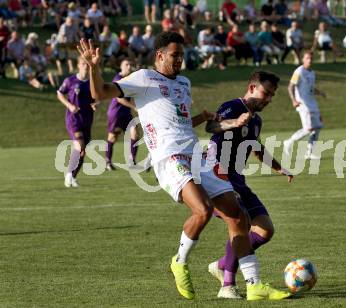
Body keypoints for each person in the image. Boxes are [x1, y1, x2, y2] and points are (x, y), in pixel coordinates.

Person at [77, 32, 291, 301]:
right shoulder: (144, 78)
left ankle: (254, 285)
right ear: (160, 55)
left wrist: (203, 117)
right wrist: (94, 67)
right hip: (169, 158)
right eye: (175, 55)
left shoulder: (183, 84)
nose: (180, 60)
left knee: (237, 216)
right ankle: (179, 261)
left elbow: (180, 124)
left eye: (182, 55)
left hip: (196, 155)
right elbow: (101, 92)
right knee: (202, 210)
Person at [206, 71, 294, 299]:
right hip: (218, 173)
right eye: (266, 93)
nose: (268, 99)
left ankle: (223, 264)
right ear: (252, 87)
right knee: (240, 222)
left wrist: (278, 167)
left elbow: (256, 148)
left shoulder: (256, 120)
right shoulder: (233, 106)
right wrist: (233, 123)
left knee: (265, 229)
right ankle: (228, 286)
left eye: (272, 95)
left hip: (237, 178)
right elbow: (211, 127)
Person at [57, 57, 99, 187]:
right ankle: (69, 175)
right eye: (83, 64)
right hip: (73, 120)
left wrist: (96, 104)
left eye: (87, 64)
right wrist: (69, 106)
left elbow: (98, 97)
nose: (86, 66)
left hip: (87, 120)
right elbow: (59, 93)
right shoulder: (70, 81)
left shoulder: (93, 82)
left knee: (82, 152)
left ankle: (72, 177)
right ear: (78, 65)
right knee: (79, 146)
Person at [283, 51, 326, 160]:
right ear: (303, 59)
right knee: (308, 129)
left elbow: (310, 88)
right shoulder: (299, 71)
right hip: (303, 104)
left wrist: (320, 92)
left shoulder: (312, 73)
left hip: (313, 104)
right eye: (307, 58)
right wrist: (293, 100)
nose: (309, 60)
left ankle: (309, 153)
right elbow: (290, 87)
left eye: (311, 58)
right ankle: (289, 142)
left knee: (317, 128)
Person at [105, 59, 138, 170]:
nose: (129, 66)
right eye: (126, 64)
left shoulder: (130, 79)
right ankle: (108, 161)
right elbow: (120, 100)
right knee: (113, 137)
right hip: (116, 113)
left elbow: (132, 96)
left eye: (130, 64)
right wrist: (134, 107)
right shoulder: (118, 80)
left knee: (135, 133)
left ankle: (132, 160)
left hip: (126, 113)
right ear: (121, 67)